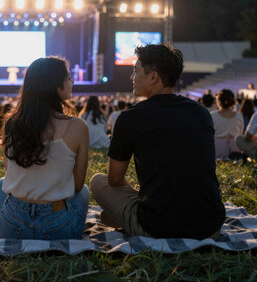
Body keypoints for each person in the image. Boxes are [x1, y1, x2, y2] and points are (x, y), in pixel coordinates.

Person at [90, 43, 225, 240]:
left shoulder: (130, 118)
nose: (132, 78)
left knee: (97, 181)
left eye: (135, 71)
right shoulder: (201, 113)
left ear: (153, 77)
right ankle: (126, 216)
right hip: (210, 227)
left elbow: (115, 179)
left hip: (158, 228)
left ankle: (127, 217)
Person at [0, 56, 90, 240]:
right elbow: (77, 185)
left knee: (1, 184)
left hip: (12, 227)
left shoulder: (11, 124)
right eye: (68, 77)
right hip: (59, 227)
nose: (73, 81)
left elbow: (11, 174)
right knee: (84, 191)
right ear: (56, 85)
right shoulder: (78, 127)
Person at [211, 89, 244, 159]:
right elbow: (240, 133)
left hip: (217, 150)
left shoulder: (213, 115)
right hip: (235, 150)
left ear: (218, 101)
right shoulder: (239, 115)